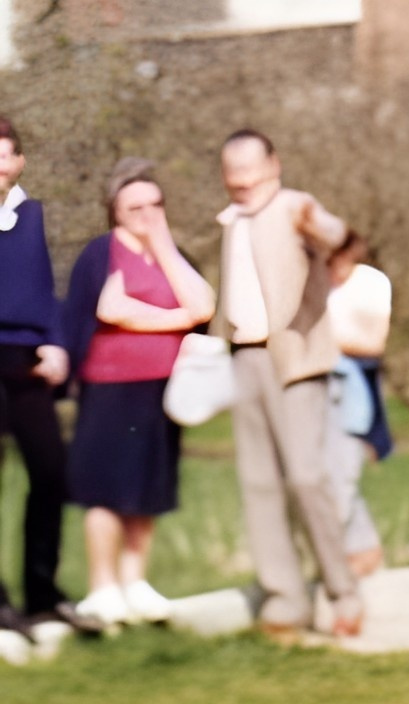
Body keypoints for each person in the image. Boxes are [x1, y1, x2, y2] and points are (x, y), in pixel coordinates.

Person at [215, 130, 362, 640]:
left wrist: (319, 226)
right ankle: (285, 598)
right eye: (232, 178)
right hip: (245, 357)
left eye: (250, 174)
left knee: (305, 476)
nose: (242, 185)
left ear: (273, 165)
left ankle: (343, 591)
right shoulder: (232, 220)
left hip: (296, 358)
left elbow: (336, 235)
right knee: (259, 482)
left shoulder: (296, 205)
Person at [61, 158, 211, 633]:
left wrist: (163, 245)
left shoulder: (172, 252)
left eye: (154, 204)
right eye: (135, 206)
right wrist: (176, 317)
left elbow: (204, 304)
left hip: (162, 387)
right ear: (115, 211)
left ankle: (135, 583)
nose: (146, 213)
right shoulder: (103, 252)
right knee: (104, 485)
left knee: (147, 483)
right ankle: (103, 588)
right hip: (109, 385)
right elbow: (111, 307)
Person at [0, 120, 67, 638]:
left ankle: (42, 595)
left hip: (30, 358)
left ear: (20, 161)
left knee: (49, 473)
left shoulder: (37, 216)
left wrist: (58, 342)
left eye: (6, 156)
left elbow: (55, 289)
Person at [321, 228, 392, 584]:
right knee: (320, 471)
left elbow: (374, 342)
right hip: (317, 381)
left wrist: (325, 340)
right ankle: (362, 549)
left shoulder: (371, 284)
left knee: (344, 471)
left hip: (354, 383)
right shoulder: (314, 281)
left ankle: (343, 555)